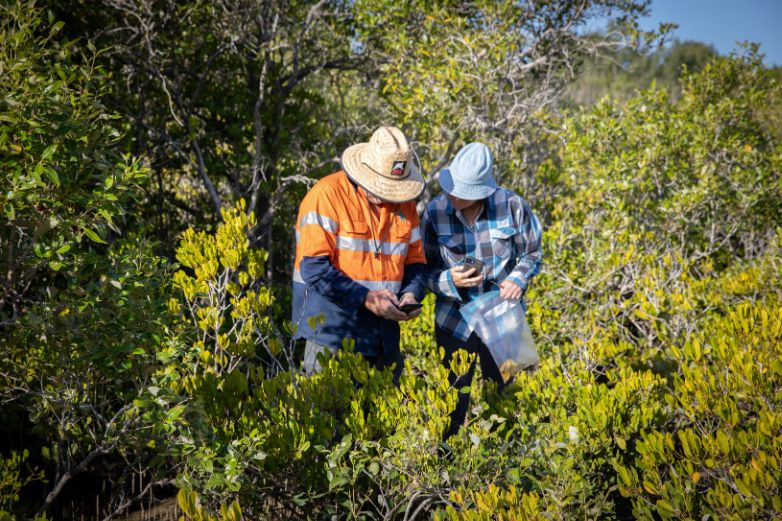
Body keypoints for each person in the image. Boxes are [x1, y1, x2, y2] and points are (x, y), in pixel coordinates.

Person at [421, 142, 542, 439]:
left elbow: (533, 252)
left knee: (503, 403)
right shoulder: (434, 212)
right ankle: (446, 474)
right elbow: (421, 270)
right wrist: (448, 281)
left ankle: (501, 473)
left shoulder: (512, 205)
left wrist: (517, 279)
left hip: (504, 319)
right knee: (453, 403)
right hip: (454, 322)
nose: (452, 194)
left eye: (460, 191)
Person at [291, 126, 427, 381]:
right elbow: (314, 268)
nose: (388, 195)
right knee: (327, 417)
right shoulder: (326, 195)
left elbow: (416, 262)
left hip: (384, 337)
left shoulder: (406, 206)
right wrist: (366, 298)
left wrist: (410, 295)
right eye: (383, 187)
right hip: (332, 334)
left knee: (384, 417)